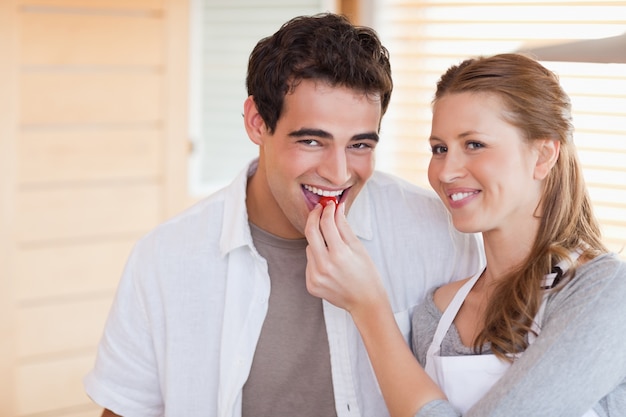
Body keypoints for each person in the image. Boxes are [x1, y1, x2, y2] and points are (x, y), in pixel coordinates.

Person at [83, 13, 483, 417]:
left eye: (360, 145)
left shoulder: (441, 236)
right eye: (312, 140)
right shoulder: (165, 258)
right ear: (258, 122)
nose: (339, 173)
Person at [305, 52, 626, 417]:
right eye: (439, 149)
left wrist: (369, 308)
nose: (446, 171)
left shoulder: (606, 291)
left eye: (474, 144)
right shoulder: (436, 312)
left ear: (543, 155)